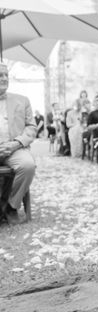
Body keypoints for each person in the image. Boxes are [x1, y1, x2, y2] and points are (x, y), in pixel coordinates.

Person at [0, 63, 37, 225]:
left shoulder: (22, 100)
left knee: (28, 165)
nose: (4, 78)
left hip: (15, 148)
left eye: (6, 75)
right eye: (0, 75)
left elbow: (31, 127)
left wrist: (16, 144)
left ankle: (10, 206)